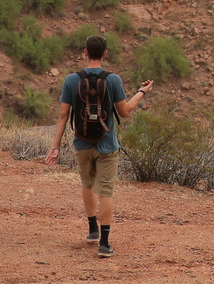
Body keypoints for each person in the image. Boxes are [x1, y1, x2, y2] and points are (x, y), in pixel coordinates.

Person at [47, 35, 153, 258]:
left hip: (81, 142)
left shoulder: (71, 80)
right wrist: (141, 93)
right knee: (106, 192)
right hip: (107, 145)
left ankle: (92, 230)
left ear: (85, 53)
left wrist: (55, 147)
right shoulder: (113, 80)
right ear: (105, 54)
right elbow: (124, 111)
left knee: (87, 185)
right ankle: (104, 243)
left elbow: (63, 115)